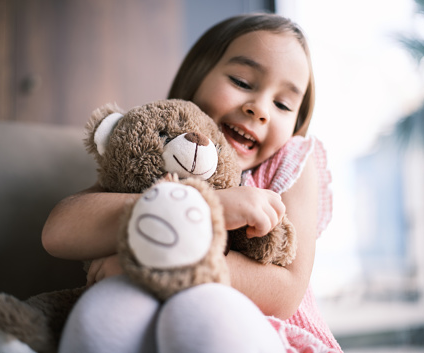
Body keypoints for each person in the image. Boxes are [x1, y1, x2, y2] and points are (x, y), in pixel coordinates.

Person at [42, 13, 341, 353]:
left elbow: (287, 291)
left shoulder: (290, 162)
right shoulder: (158, 148)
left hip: (264, 333)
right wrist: (200, 205)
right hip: (153, 331)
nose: (260, 110)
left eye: (283, 104)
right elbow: (57, 233)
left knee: (197, 310)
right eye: (243, 82)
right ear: (197, 76)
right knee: (113, 306)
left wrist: (154, 263)